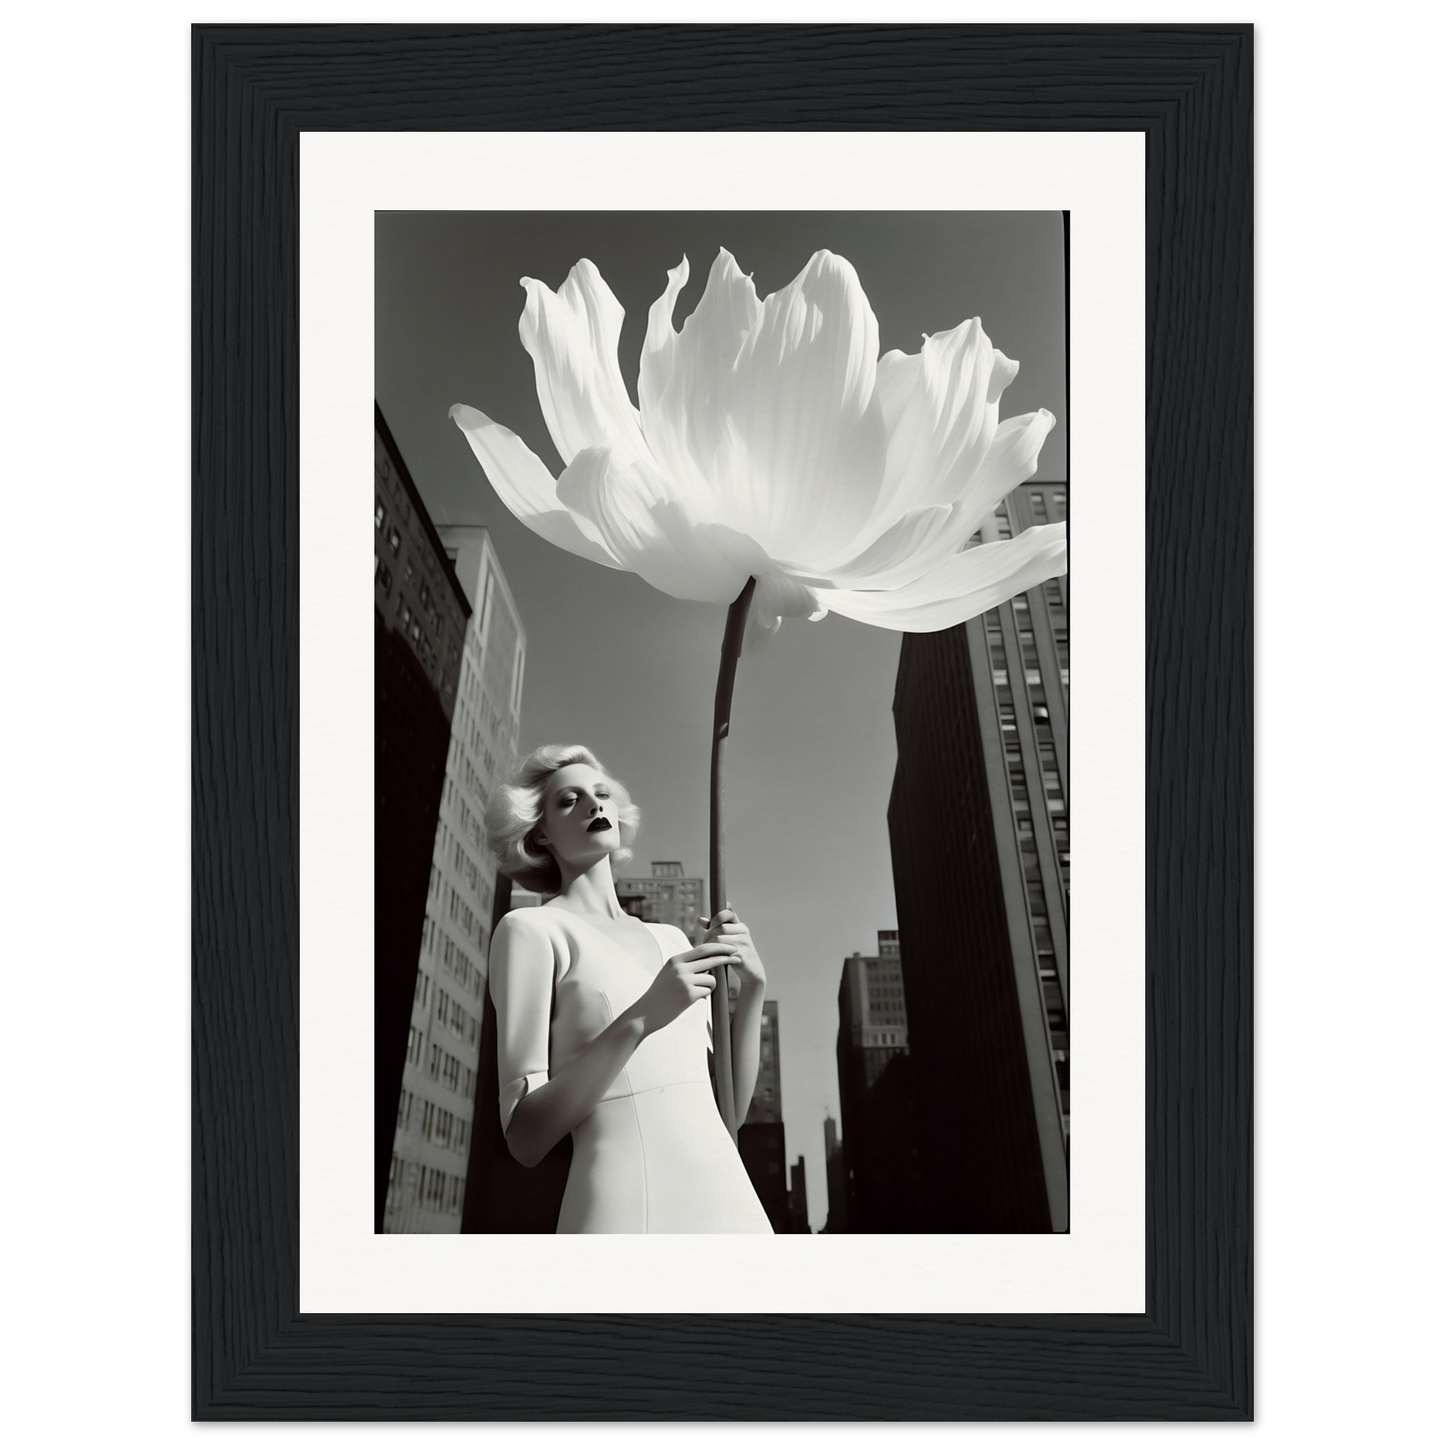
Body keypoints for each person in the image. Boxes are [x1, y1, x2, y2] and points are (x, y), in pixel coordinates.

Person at [482, 744, 774, 1234]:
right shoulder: (531, 930)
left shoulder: (672, 940)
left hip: (732, 1203)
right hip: (627, 1205)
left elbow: (729, 1114)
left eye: (601, 794)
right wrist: (642, 1017)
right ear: (540, 834)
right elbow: (525, 1138)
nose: (594, 805)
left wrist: (754, 989)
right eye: (568, 800)